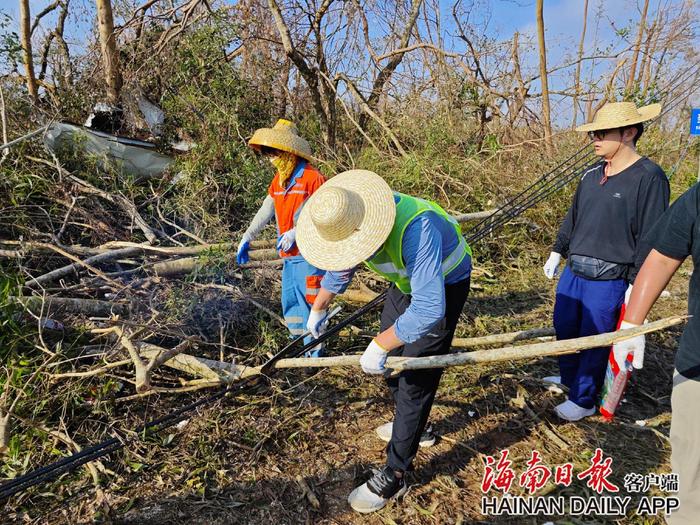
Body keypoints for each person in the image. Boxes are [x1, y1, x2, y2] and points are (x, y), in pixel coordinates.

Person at [295, 169, 472, 513]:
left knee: (415, 380)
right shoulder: (351, 220)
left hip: (443, 288)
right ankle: (418, 427)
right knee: (391, 369)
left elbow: (429, 309)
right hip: (407, 286)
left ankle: (396, 472)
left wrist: (380, 343)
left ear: (365, 228)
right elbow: (341, 267)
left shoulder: (417, 229)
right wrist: (318, 309)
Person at [542, 101, 669, 421]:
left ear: (629, 133)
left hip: (611, 277)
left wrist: (637, 283)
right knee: (566, 327)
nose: (594, 139)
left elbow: (651, 236)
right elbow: (574, 217)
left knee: (595, 336)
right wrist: (558, 251)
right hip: (574, 272)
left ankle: (584, 398)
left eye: (601, 133)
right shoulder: (590, 175)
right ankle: (570, 380)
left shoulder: (649, 177)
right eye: (592, 133)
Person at [612, 183, 700, 525]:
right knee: (691, 456)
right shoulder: (698, 198)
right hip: (698, 362)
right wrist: (632, 325)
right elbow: (664, 256)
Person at [236, 119, 326, 357]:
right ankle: (298, 351)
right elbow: (267, 209)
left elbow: (324, 212)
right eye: (267, 155)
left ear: (288, 153)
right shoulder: (279, 180)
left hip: (310, 257)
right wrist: (247, 236)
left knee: (312, 305)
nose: (271, 159)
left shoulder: (312, 178)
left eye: (273, 154)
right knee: (292, 306)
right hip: (289, 258)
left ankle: (315, 356)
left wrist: (297, 231)